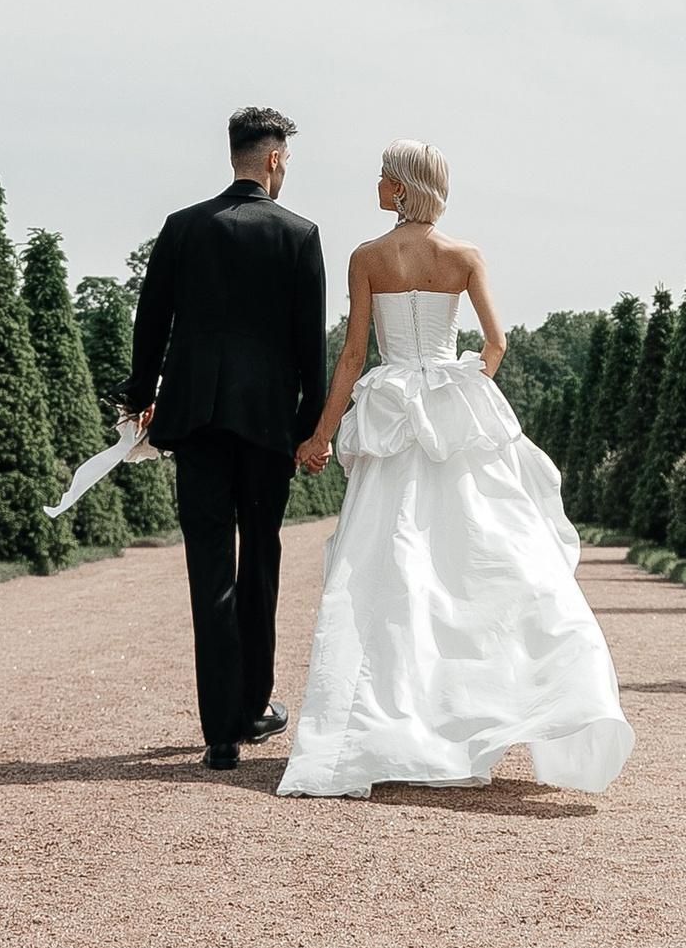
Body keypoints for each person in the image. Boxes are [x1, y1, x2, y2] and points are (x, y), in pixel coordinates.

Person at [276, 137, 635, 801]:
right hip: (449, 403)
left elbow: (354, 355)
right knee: (474, 563)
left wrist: (321, 435)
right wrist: (469, 385)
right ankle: (472, 713)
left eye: (385, 176)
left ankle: (386, 727)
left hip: (389, 414)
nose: (377, 183)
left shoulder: (367, 257)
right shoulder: (464, 256)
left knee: (384, 573)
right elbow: (496, 342)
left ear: (405, 188)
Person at [123, 108, 328, 771]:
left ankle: (219, 731)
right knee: (259, 563)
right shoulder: (300, 234)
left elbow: (150, 323)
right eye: (287, 159)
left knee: (208, 567)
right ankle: (252, 706)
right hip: (267, 424)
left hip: (198, 421)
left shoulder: (183, 227)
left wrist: (140, 397)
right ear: (272, 159)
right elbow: (309, 346)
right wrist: (311, 426)